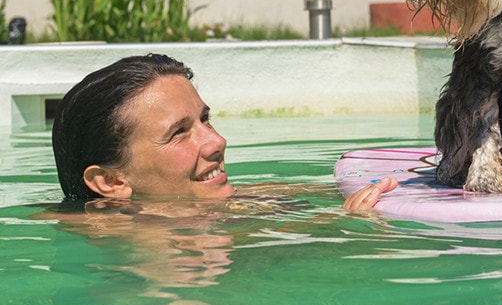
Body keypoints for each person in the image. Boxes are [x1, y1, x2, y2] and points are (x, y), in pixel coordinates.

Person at [51, 53, 396, 212]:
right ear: (111, 182)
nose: (217, 141)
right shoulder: (123, 235)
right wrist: (344, 223)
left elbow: (270, 195)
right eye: (178, 133)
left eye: (205, 119)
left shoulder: (193, 206)